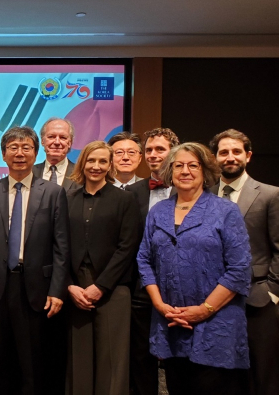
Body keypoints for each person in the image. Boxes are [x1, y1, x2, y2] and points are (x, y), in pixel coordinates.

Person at [137, 142, 251, 395]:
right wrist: (160, 305)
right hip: (171, 322)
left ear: (205, 171)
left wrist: (203, 310)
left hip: (216, 324)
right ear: (170, 171)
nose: (185, 171)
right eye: (178, 166)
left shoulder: (226, 211)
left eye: (192, 165)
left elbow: (239, 269)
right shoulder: (158, 211)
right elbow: (144, 260)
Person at [0, 126, 70, 395]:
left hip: (35, 288)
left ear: (36, 153)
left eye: (26, 148)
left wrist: (57, 290)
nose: (20, 153)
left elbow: (61, 246)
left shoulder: (53, 192)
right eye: (13, 148)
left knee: (32, 362)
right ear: (3, 154)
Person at [66, 141, 140, 395]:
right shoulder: (68, 198)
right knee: (79, 358)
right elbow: (59, 246)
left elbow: (127, 247)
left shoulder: (124, 199)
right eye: (91, 161)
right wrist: (70, 286)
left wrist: (101, 286)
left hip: (113, 286)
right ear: (83, 163)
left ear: (110, 166)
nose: (96, 166)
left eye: (102, 162)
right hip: (76, 288)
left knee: (112, 358)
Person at [209, 129, 279, 395]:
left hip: (257, 300)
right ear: (215, 158)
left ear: (247, 156)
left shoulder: (271, 195)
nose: (230, 157)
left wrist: (272, 293)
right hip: (213, 299)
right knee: (223, 379)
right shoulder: (204, 194)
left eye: (236, 151)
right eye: (223, 152)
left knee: (262, 377)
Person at [125, 127, 179, 395]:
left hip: (183, 288)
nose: (153, 155)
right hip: (142, 288)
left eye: (160, 149)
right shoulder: (131, 193)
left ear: (174, 152)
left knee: (179, 359)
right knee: (141, 357)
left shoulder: (196, 189)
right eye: (149, 150)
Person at [32, 117, 78, 191]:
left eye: (63, 137)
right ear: (42, 141)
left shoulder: (81, 173)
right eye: (51, 137)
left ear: (70, 143)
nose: (57, 142)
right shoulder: (29, 173)